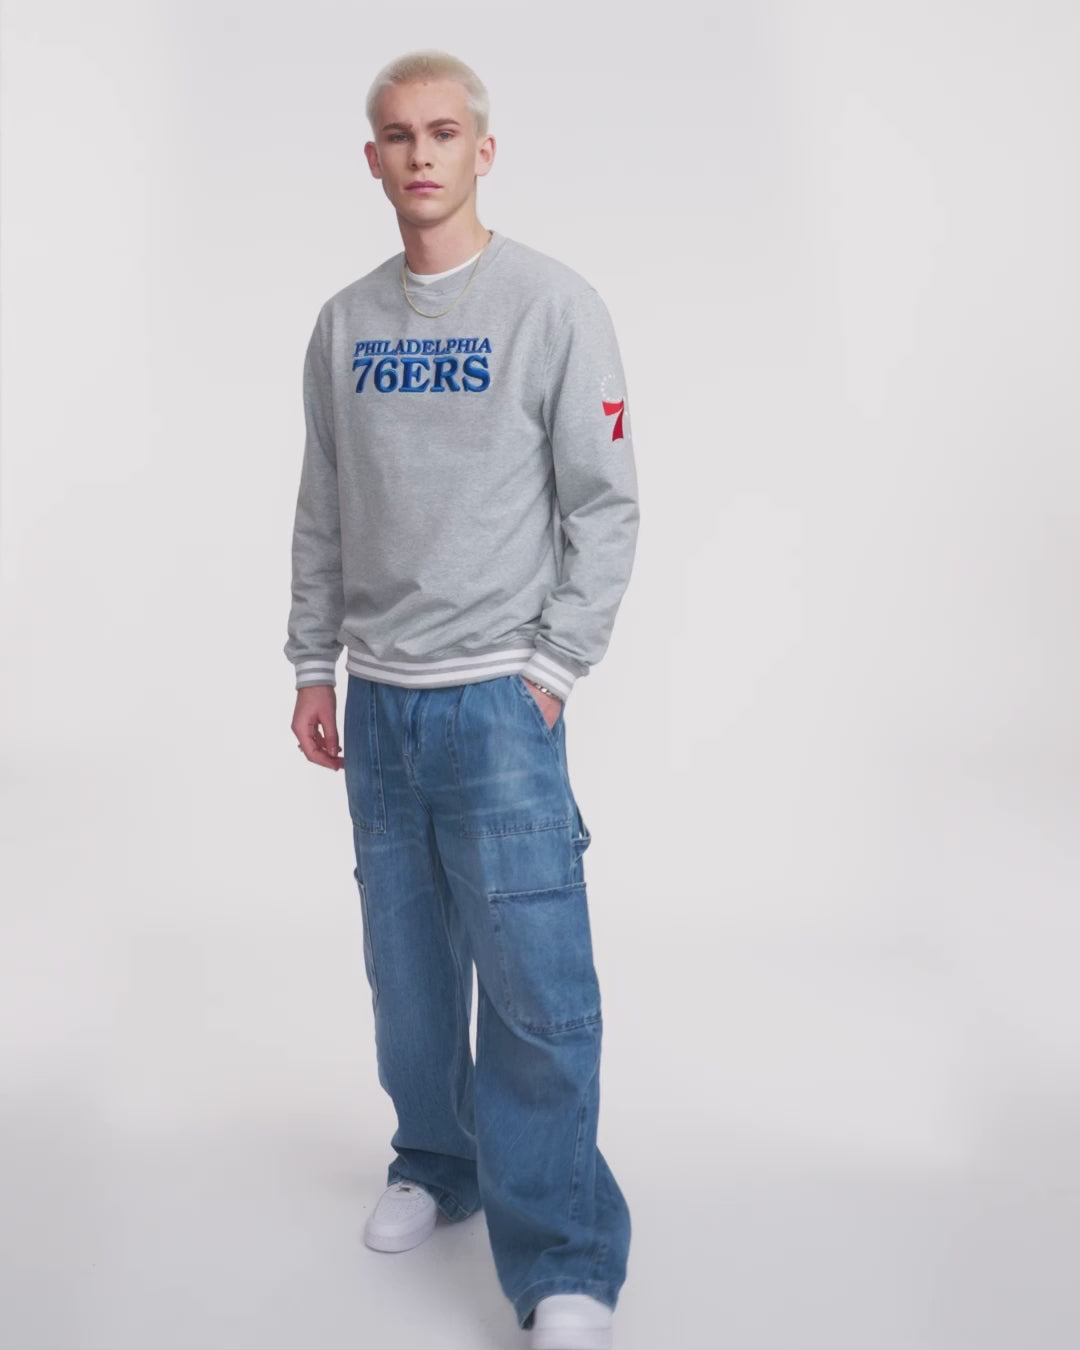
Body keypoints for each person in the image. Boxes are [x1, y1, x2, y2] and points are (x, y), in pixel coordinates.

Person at [284, 47, 639, 1350]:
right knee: (410, 974)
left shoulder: (553, 306)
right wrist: (313, 663)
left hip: (498, 700)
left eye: (442, 132)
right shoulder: (344, 325)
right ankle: (437, 1162)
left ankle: (565, 1258)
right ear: (371, 159)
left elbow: (606, 502)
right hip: (380, 704)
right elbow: (323, 507)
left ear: (482, 151)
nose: (420, 153)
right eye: (397, 135)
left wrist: (553, 668)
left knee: (536, 985)